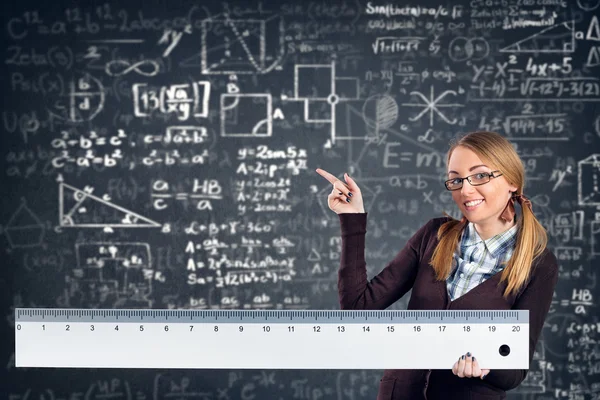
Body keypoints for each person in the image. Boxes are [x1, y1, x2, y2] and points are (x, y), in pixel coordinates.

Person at [315, 131, 559, 400]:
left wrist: (485, 365)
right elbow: (357, 308)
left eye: (480, 176)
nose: (466, 190)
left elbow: (515, 369)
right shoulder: (434, 235)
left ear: (512, 180)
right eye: (456, 180)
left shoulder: (538, 264)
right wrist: (352, 219)